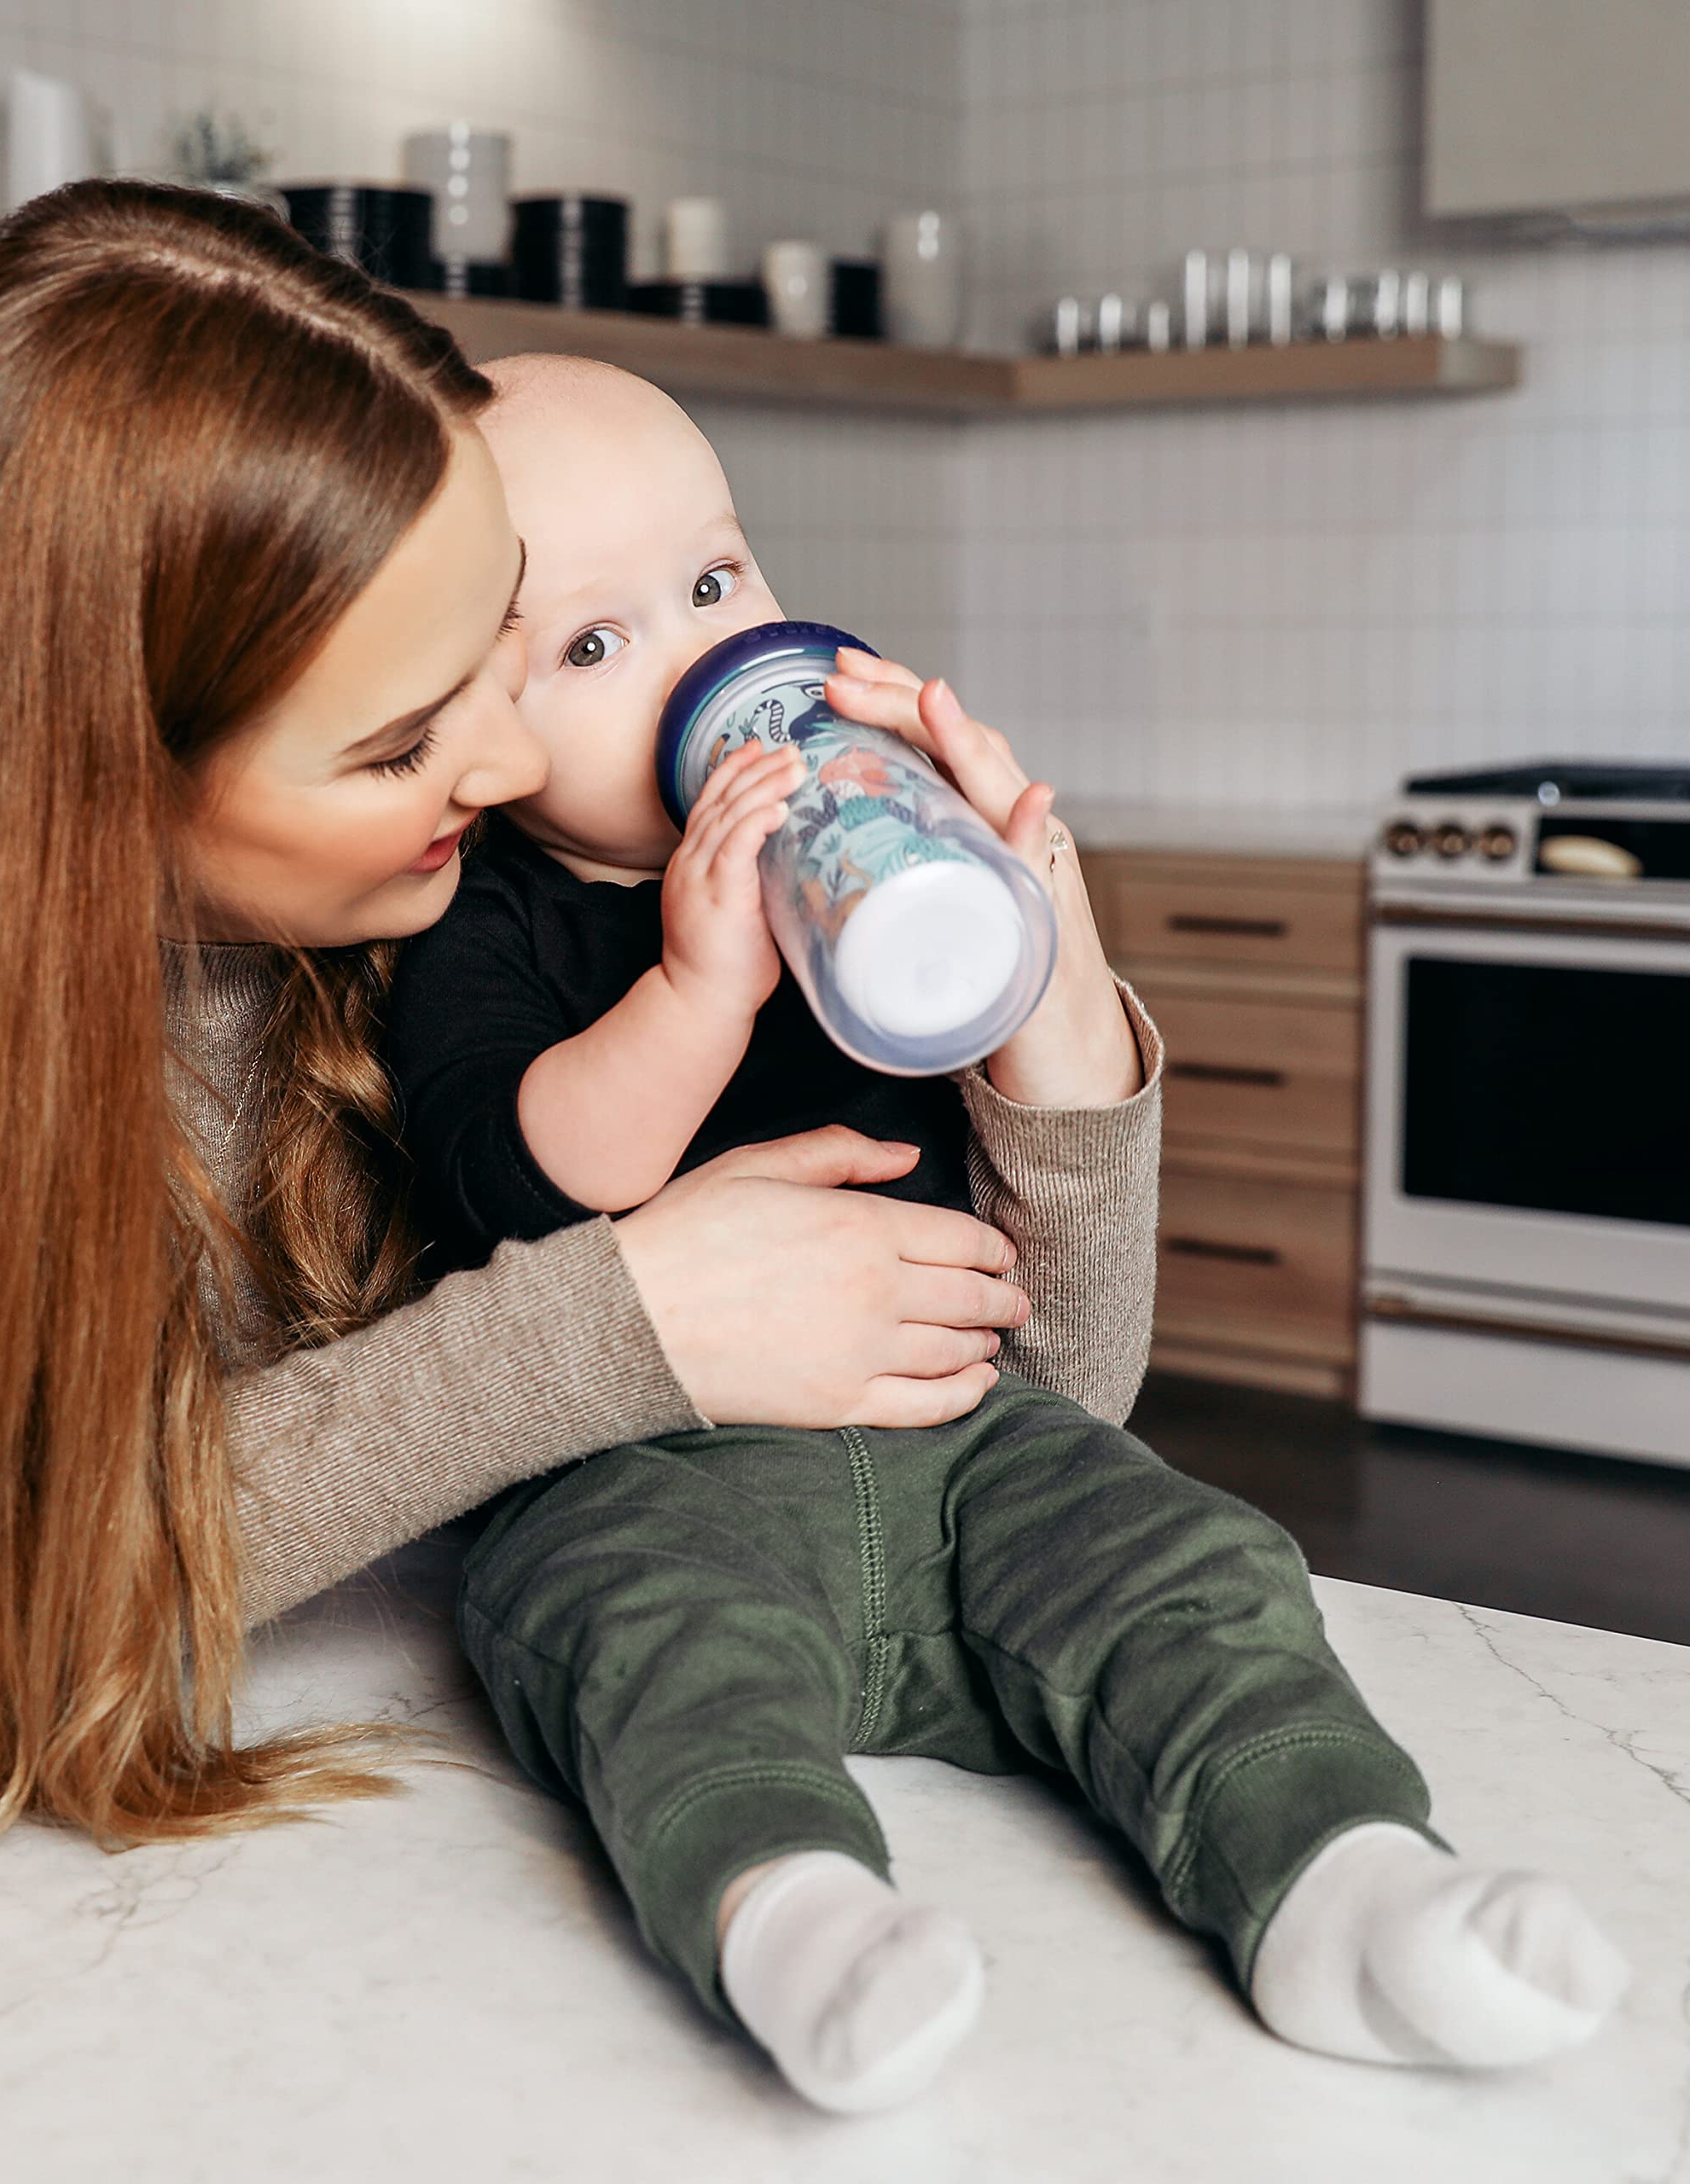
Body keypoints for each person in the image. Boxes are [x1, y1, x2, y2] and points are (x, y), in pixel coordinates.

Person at [0, 183, 1091, 1869]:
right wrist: (628, 1319)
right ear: (103, 792)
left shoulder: (531, 838)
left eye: (501, 647)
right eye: (399, 744)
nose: (511, 764)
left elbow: (1037, 1406)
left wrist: (1044, 997)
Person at [385, 354, 1630, 2113]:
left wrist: (1018, 903)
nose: (693, 658)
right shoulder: (484, 924)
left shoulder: (862, 855)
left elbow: (1040, 1169)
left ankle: (1339, 1879)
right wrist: (694, 985)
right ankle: (788, 1911)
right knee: (639, 1636)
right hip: (651, 1472)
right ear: (474, 731)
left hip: (968, 1442)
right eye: (593, 643)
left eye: (716, 581)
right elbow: (522, 1178)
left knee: (1187, 1562)